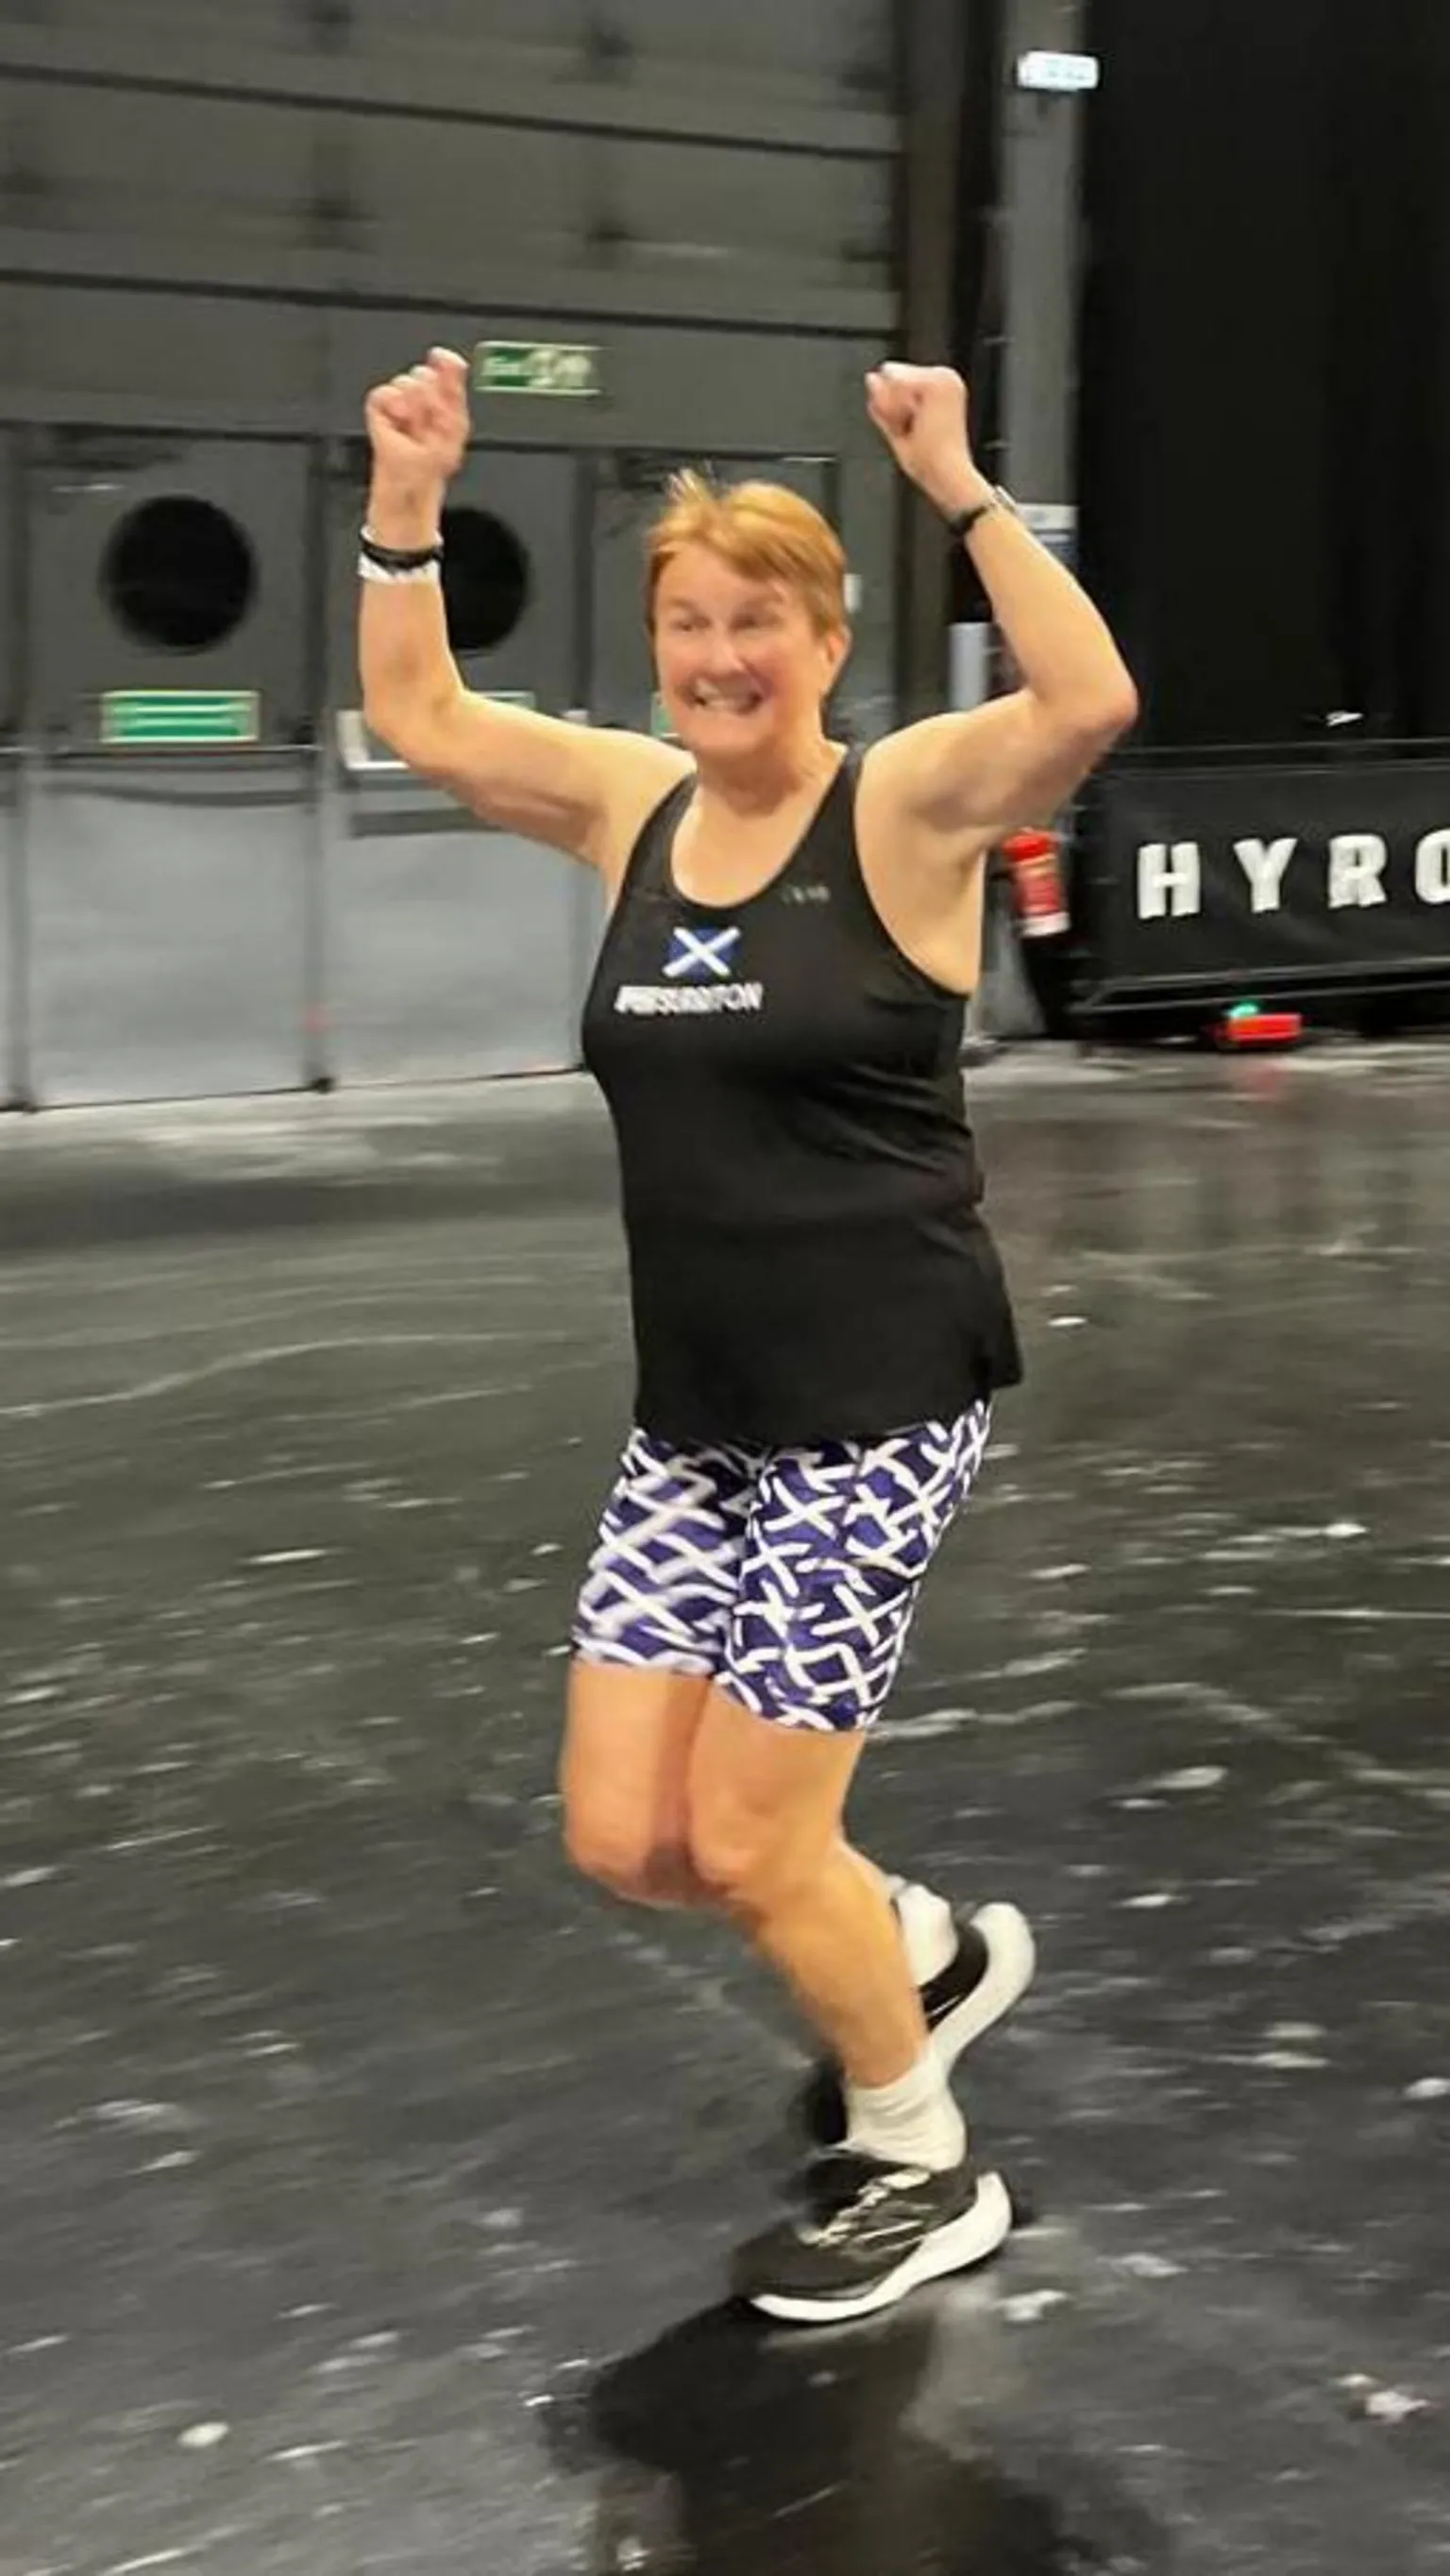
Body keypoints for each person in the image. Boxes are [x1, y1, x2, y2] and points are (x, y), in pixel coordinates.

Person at [360, 347, 1138, 2325]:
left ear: (825, 633)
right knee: (630, 1834)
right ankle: (926, 1953)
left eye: (756, 622)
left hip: (874, 1401)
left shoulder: (908, 809)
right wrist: (405, 507)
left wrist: (964, 488)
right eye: (689, 624)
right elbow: (421, 710)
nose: (720, 656)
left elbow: (1090, 701)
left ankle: (919, 2152)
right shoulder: (632, 809)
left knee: (753, 1829)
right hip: (699, 1413)